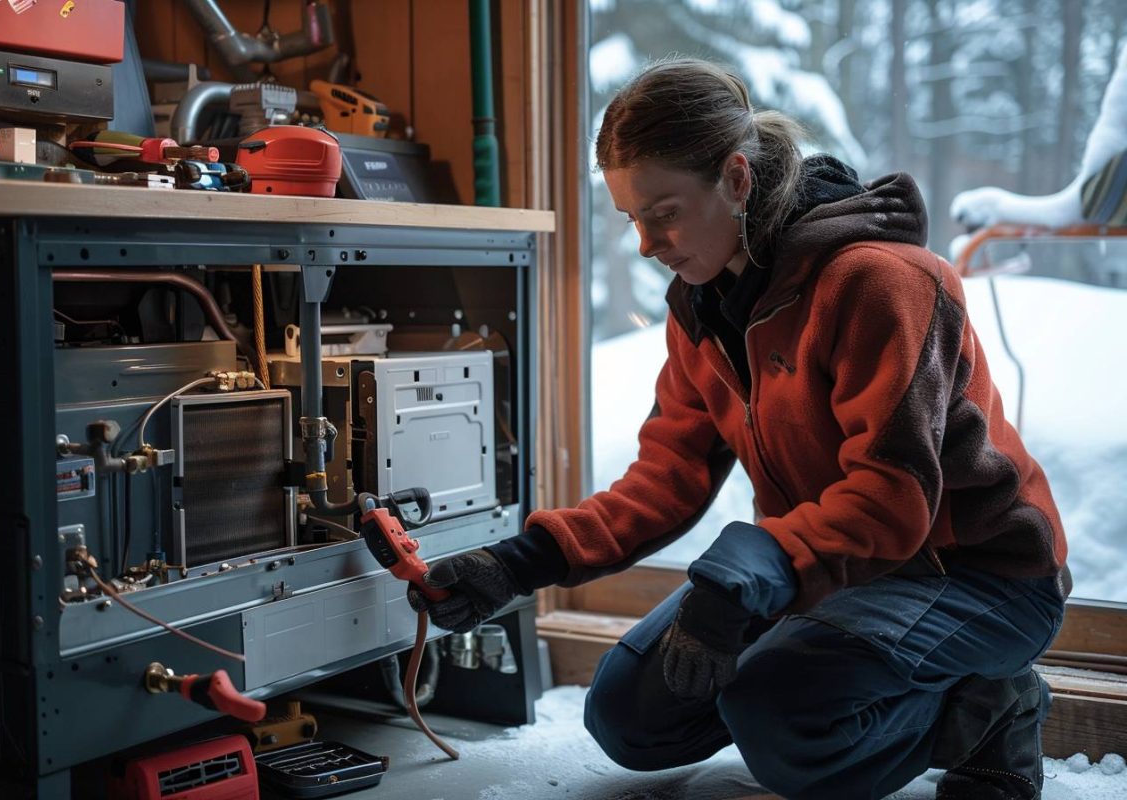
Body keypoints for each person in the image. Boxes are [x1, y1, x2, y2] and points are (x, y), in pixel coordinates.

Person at [403, 58, 1070, 800]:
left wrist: (748, 574)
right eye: (631, 218)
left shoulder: (882, 282)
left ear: (738, 179)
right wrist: (521, 562)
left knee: (783, 728)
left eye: (664, 212)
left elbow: (892, 497)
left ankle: (990, 708)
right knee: (628, 716)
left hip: (976, 575)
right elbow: (669, 474)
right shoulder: (702, 304)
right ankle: (814, 678)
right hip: (826, 569)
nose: (647, 244)